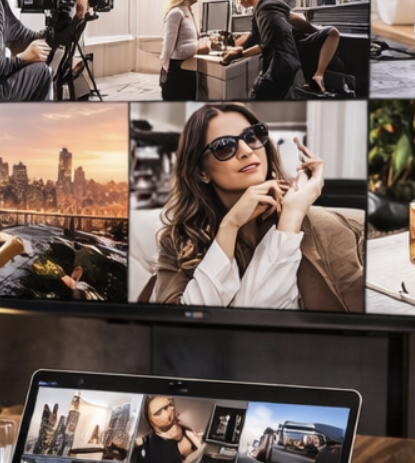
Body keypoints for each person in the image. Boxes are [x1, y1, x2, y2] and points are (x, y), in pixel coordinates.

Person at [151, 103, 364, 312]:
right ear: (201, 172)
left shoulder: (321, 227)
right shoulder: (176, 241)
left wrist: (292, 214)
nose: (245, 151)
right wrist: (230, 225)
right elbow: (181, 325)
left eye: (251, 137)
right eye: (224, 146)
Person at [221, 0, 301, 100]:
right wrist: (234, 47)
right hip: (284, 65)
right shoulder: (261, 7)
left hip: (279, 67)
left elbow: (267, 43)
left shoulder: (266, 8)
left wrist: (239, 54)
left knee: (258, 100)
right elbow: (255, 37)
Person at [159, 0, 210, 100]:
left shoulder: (188, 11)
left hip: (188, 71)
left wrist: (203, 41)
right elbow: (172, 51)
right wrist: (198, 46)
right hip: (176, 75)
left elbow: (187, 43)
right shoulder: (176, 13)